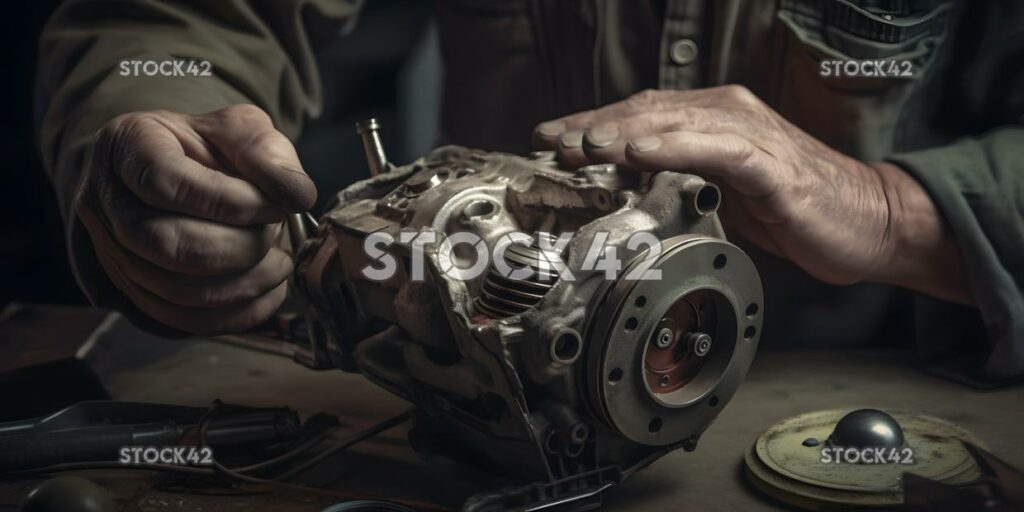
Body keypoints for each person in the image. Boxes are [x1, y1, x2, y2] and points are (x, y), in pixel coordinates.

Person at [36, 0, 1023, 384]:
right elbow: (179, 22)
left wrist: (900, 211)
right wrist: (159, 132)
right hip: (488, 406)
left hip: (901, 397)